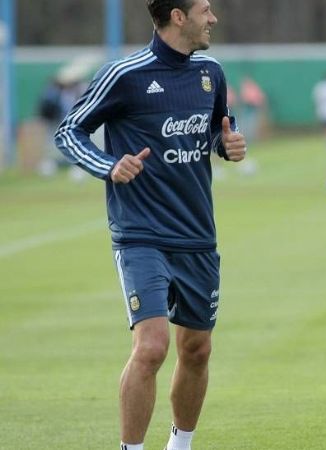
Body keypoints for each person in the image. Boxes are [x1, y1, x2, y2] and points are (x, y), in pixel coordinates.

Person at [53, 1, 246, 449]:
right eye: (204, 9)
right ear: (178, 16)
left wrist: (227, 142)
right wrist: (107, 165)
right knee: (153, 345)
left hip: (197, 234)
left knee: (197, 350)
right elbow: (68, 131)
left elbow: (218, 127)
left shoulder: (211, 72)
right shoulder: (126, 74)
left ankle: (180, 445)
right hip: (140, 233)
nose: (212, 18)